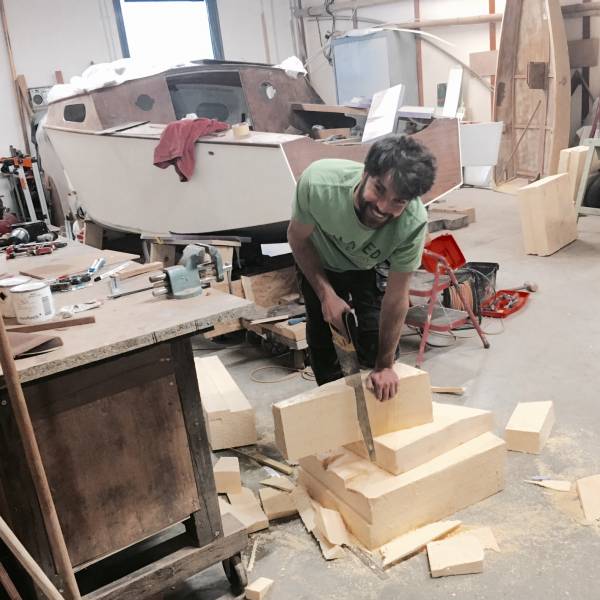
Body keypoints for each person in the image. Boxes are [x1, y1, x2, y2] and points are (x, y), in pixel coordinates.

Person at [287, 134, 436, 401]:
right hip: (321, 260)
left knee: (378, 342)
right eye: (379, 190)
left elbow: (397, 297)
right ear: (365, 173)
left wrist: (385, 366)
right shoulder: (319, 184)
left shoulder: (412, 223)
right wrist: (326, 295)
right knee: (324, 344)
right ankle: (333, 407)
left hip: (370, 263)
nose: (382, 208)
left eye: (398, 202)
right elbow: (298, 240)